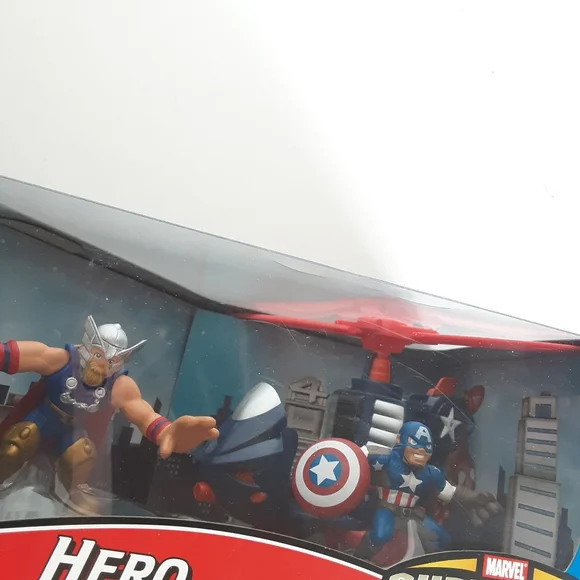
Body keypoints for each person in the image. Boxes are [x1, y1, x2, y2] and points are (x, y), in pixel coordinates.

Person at [0, 315, 219, 513]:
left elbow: (142, 413)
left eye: (112, 360)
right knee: (19, 441)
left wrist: (166, 432)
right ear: (87, 347)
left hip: (71, 430)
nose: (103, 364)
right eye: (98, 354)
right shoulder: (62, 361)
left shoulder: (119, 385)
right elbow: (25, 355)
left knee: (81, 456)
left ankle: (73, 499)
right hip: (43, 417)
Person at [356, 420, 499, 560]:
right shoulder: (385, 458)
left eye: (427, 446)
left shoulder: (430, 473)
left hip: (412, 515)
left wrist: (473, 498)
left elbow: (449, 492)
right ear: (399, 440)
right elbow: (354, 455)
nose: (421, 450)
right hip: (386, 509)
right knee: (381, 535)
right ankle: (359, 558)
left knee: (442, 539)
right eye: (414, 442)